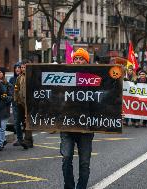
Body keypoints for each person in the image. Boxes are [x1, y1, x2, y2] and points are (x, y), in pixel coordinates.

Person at [60, 48, 94, 189]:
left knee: (84, 162)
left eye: (81, 59)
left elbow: (105, 99)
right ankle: (69, 186)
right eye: (76, 59)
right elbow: (54, 99)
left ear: (87, 61)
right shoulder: (64, 77)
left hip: (86, 128)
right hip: (67, 126)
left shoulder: (93, 77)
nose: (78, 61)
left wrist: (115, 115)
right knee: (66, 158)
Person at [14, 61, 33, 149]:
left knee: (28, 122)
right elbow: (16, 89)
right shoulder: (19, 77)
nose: (22, 69)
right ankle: (23, 139)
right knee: (19, 121)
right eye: (21, 67)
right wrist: (16, 99)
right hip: (20, 103)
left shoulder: (32, 76)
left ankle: (28, 140)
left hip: (29, 103)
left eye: (24, 67)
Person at [0, 67, 13, 151]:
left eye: (0, 72)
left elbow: (11, 97)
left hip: (4, 109)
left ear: (3, 74)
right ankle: (3, 140)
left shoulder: (8, 85)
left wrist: (5, 98)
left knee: (1, 128)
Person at [9, 62, 23, 146]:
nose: (17, 69)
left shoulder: (24, 77)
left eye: (19, 67)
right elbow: (11, 91)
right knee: (16, 122)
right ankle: (19, 139)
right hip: (15, 104)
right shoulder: (12, 79)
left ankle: (28, 140)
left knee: (25, 122)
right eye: (16, 68)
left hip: (24, 104)